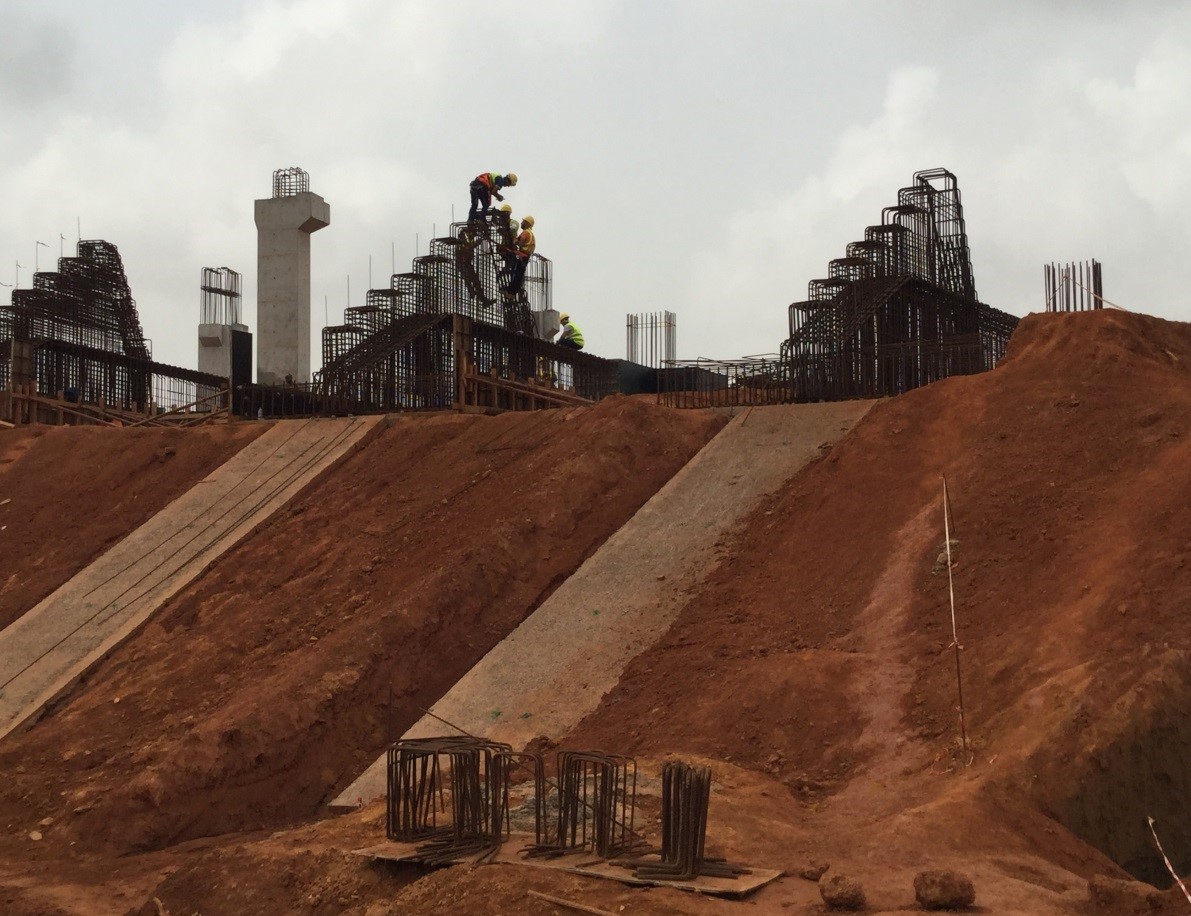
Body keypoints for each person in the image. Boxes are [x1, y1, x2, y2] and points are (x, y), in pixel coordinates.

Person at [506, 215, 536, 294]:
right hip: (525, 257)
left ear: (526, 223)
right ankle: (512, 292)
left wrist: (513, 238)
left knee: (516, 276)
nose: (521, 223)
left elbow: (519, 243)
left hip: (521, 256)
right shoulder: (531, 234)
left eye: (523, 222)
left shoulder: (525, 233)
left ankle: (510, 291)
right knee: (519, 276)